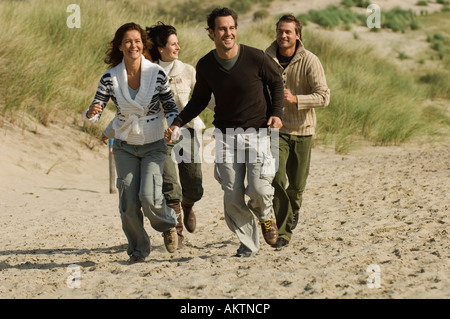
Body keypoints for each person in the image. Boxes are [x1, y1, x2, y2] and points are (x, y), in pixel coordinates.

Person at [165, 7, 284, 257]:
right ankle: (248, 243)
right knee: (232, 195)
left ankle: (265, 215)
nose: (227, 33)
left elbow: (276, 82)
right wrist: (177, 122)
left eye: (231, 28)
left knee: (259, 189)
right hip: (226, 137)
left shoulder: (255, 57)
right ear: (211, 33)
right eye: (221, 28)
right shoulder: (206, 65)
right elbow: (198, 100)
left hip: (259, 134)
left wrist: (277, 113)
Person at [84, 22, 180, 263]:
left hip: (154, 142)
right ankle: (138, 249)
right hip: (125, 144)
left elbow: (170, 106)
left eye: (137, 41)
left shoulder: (156, 74)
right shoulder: (110, 77)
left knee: (149, 197)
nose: (133, 45)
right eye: (127, 41)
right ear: (120, 46)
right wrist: (92, 112)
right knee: (127, 201)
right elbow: (96, 108)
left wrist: (173, 127)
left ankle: (168, 222)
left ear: (143, 44)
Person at [265, 14, 330, 248]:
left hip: (303, 130)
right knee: (277, 179)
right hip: (276, 130)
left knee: (297, 185)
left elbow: (324, 97)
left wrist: (295, 98)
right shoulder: (266, 58)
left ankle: (293, 210)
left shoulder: (310, 60)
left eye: (288, 32)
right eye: (280, 31)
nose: (283, 35)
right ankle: (283, 232)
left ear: (297, 35)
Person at [146, 22, 211, 249]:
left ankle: (189, 204)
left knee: (193, 184)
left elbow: (205, 99)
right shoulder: (147, 72)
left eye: (177, 43)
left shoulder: (188, 70)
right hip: (160, 133)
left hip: (188, 129)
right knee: (170, 185)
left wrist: (228, 109)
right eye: (173, 44)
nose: (178, 47)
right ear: (160, 48)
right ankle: (177, 231)